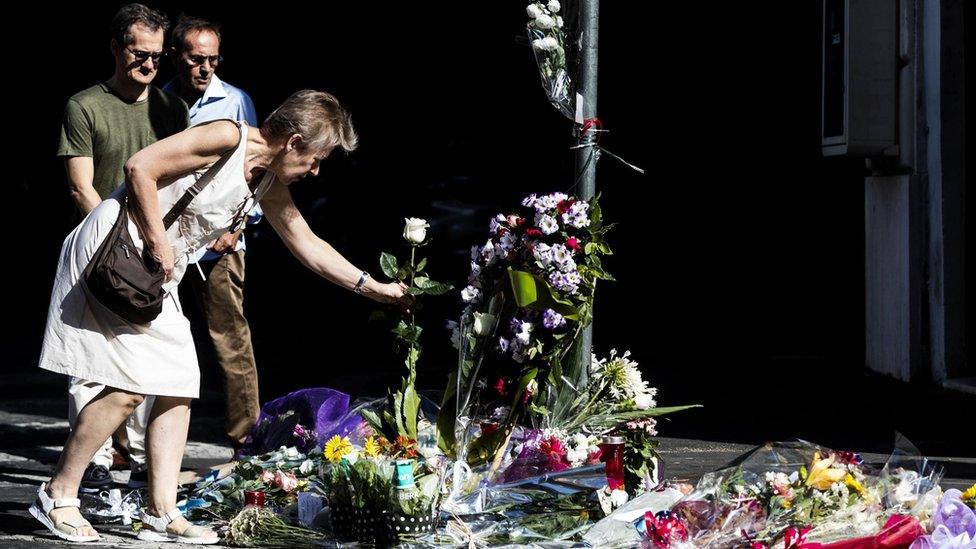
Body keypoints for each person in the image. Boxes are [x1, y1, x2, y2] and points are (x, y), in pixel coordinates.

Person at [32, 90, 410, 543]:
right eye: (316, 158)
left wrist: (375, 288)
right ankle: (58, 494)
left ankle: (161, 510)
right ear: (292, 142)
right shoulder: (226, 136)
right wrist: (157, 242)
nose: (315, 170)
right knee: (130, 387)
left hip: (152, 273)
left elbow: (307, 244)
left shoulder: (267, 181)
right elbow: (140, 168)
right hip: (118, 256)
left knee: (177, 382)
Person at [56, 2, 189, 492]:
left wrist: (160, 242)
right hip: (101, 248)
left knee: (147, 363)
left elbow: (179, 180)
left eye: (157, 55)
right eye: (139, 53)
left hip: (155, 249)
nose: (149, 64)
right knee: (92, 362)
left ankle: (134, 464)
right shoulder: (84, 106)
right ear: (115, 48)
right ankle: (88, 467)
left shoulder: (172, 110)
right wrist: (116, 243)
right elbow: (80, 186)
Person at [163, 14, 263, 451]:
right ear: (175, 56)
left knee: (229, 338)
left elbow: (258, 173)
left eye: (213, 59)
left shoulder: (236, 101)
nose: (206, 68)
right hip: (168, 240)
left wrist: (235, 226)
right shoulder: (160, 101)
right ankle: (142, 445)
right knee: (160, 339)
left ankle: (247, 439)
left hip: (220, 243)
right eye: (196, 59)